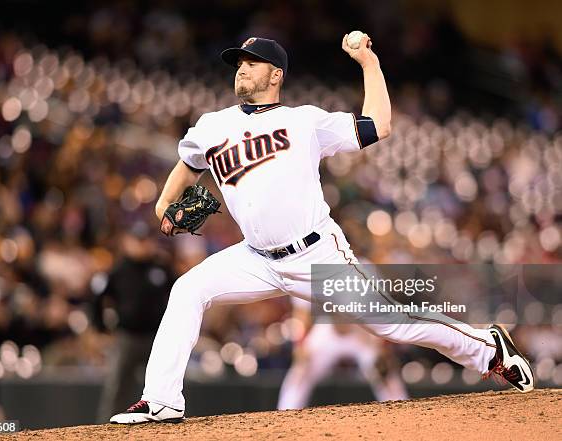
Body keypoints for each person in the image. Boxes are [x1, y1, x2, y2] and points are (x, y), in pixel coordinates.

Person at [110, 35, 534, 424]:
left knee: (394, 323)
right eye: (238, 62)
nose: (241, 68)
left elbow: (378, 126)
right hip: (254, 257)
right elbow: (188, 165)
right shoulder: (211, 126)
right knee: (188, 289)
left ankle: (487, 347)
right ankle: (163, 400)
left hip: (316, 256)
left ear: (276, 75)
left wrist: (369, 62)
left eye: (252, 63)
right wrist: (165, 204)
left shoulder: (304, 121)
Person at [93, 223, 174, 423]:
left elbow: (179, 296)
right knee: (118, 386)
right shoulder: (118, 270)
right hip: (127, 337)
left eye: (145, 240)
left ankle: (171, 425)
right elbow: (97, 299)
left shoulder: (161, 268)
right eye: (137, 241)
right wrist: (100, 328)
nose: (141, 245)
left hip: (157, 338)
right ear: (127, 242)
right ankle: (107, 428)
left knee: (166, 382)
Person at [277, 296, 408, 410]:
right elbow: (302, 312)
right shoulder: (310, 272)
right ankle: (285, 415)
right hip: (328, 330)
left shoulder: (361, 272)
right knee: (301, 370)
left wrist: (380, 346)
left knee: (381, 369)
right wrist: (300, 345)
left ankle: (401, 413)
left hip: (360, 330)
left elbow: (377, 312)